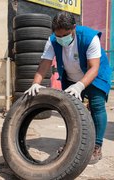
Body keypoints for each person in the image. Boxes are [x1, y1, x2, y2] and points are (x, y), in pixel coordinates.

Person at [25, 11, 112, 164]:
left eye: (64, 35)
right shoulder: (52, 41)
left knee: (97, 106)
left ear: (73, 28)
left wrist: (80, 86)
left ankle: (96, 146)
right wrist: (35, 83)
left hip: (94, 75)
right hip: (71, 76)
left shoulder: (89, 38)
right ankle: (73, 143)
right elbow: (45, 63)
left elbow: (94, 67)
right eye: (58, 36)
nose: (61, 39)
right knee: (70, 108)